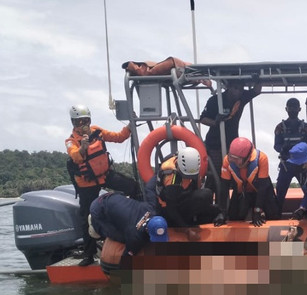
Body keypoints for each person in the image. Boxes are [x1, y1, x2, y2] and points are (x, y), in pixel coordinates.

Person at [65, 105, 140, 266]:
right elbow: (75, 157)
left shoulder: (97, 131)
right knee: (86, 217)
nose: (83, 124)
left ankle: (135, 222)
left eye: (86, 120)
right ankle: (89, 254)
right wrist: (83, 148)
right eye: (79, 122)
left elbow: (119, 137)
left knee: (133, 187)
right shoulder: (71, 141)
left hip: (105, 175)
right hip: (86, 183)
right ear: (73, 123)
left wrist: (129, 126)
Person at [199, 77, 262, 193]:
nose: (238, 92)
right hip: (215, 144)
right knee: (218, 174)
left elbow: (256, 91)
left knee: (234, 173)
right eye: (236, 88)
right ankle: (215, 202)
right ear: (229, 88)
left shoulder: (241, 98)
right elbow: (202, 119)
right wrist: (215, 122)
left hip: (232, 144)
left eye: (241, 89)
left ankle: (233, 203)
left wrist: (258, 78)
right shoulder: (214, 100)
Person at [144, 146, 223, 227]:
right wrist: (186, 229)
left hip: (181, 197)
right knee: (203, 197)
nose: (189, 178)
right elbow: (171, 209)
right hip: (167, 208)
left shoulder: (190, 166)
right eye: (187, 176)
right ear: (179, 167)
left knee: (207, 194)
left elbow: (194, 190)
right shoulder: (171, 179)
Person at [215, 137, 280, 226]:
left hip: (261, 190)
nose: (234, 161)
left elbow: (262, 187)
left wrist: (258, 209)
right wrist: (221, 211)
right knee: (233, 216)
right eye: (231, 157)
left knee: (274, 213)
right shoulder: (227, 161)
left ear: (248, 157)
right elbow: (224, 187)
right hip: (242, 192)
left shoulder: (262, 158)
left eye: (237, 159)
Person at [88, 192, 166, 258]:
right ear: (147, 230)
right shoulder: (135, 235)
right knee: (119, 237)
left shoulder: (153, 209)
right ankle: (94, 224)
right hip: (99, 208)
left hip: (113, 197)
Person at [273, 97, 307, 210]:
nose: (292, 110)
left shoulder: (306, 128)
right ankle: (276, 215)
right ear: (286, 109)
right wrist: (283, 149)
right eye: (290, 108)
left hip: (302, 166)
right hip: (286, 165)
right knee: (280, 192)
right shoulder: (280, 127)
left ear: (299, 109)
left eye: (295, 108)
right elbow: (276, 145)